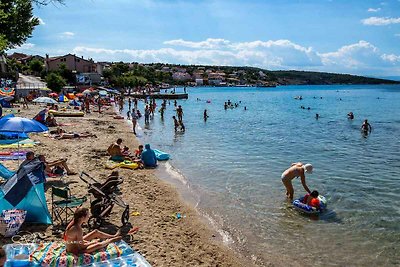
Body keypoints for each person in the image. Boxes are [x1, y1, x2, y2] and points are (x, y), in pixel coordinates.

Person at [64, 208, 138, 255]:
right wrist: (92, 243)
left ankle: (113, 236)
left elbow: (78, 242)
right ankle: (110, 240)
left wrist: (88, 242)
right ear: (82, 217)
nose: (88, 217)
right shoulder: (77, 229)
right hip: (74, 250)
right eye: (87, 216)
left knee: (95, 232)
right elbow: (81, 246)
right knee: (98, 245)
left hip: (74, 244)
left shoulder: (74, 222)